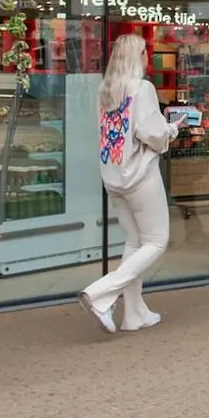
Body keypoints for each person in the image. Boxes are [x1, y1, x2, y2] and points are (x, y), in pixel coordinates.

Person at [79, 34, 178, 334]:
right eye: (146, 52)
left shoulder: (106, 91)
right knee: (156, 241)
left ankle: (134, 314)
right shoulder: (143, 88)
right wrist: (172, 128)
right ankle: (101, 294)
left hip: (113, 177)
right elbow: (154, 135)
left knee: (134, 242)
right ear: (137, 57)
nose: (149, 57)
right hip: (139, 177)